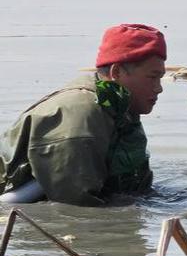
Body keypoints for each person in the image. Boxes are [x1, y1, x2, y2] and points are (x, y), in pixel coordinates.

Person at [0, 24, 166, 206]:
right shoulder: (79, 120)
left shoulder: (119, 106)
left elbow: (135, 187)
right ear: (117, 72)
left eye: (160, 78)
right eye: (152, 77)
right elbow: (75, 208)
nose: (159, 88)